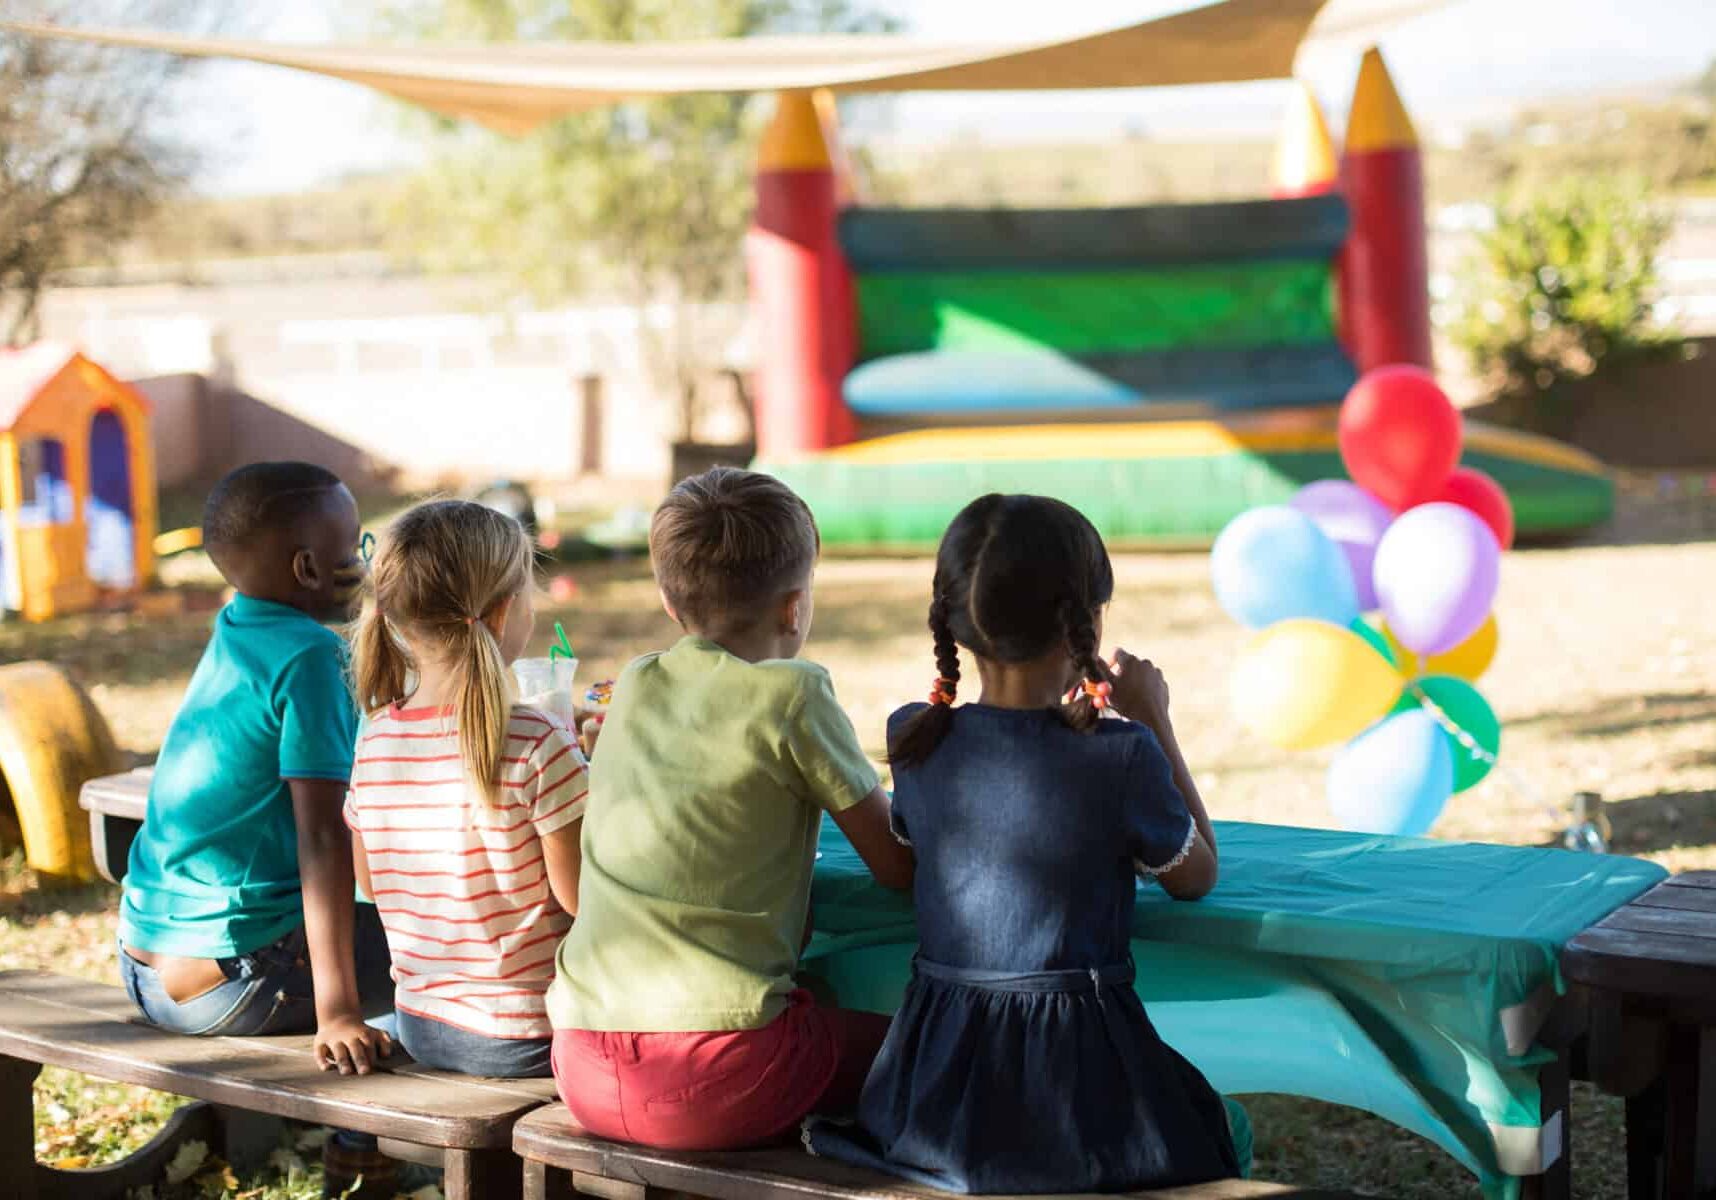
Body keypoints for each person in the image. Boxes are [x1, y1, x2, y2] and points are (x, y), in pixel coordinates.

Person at [805, 493, 1247, 1193]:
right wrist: (1155, 719)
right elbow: (1199, 875)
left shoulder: (915, 736)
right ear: (1088, 620)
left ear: (953, 621)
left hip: (929, 1088)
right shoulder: (1120, 753)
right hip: (1078, 1087)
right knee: (1222, 1128)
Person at [549, 466, 914, 1150]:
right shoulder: (793, 695)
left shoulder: (632, 684)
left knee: (814, 1003)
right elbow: (896, 866)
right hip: (720, 1077)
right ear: (794, 606)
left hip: (579, 1064)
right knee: (942, 1045)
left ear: (667, 599)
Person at [118, 462, 391, 1075]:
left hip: (143, 964)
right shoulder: (312, 655)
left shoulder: (240, 622)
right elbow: (324, 840)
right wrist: (338, 1012)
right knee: (433, 931)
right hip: (230, 983)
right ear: (308, 568)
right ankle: (361, 1139)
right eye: (354, 544)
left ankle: (359, 1145)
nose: (364, 559)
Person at [346, 499, 587, 1078]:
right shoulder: (537, 738)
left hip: (423, 1024)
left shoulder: (375, 738)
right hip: (531, 1034)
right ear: (506, 614)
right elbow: (585, 902)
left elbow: (370, 886)